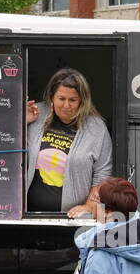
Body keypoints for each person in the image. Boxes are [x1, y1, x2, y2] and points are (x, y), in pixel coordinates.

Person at [24, 67, 113, 218]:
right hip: (28, 217)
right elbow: (8, 150)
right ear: (52, 97)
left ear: (82, 101)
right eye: (61, 98)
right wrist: (20, 122)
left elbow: (102, 172)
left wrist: (90, 206)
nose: (66, 106)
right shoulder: (35, 114)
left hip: (74, 220)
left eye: (73, 100)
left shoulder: (96, 128)